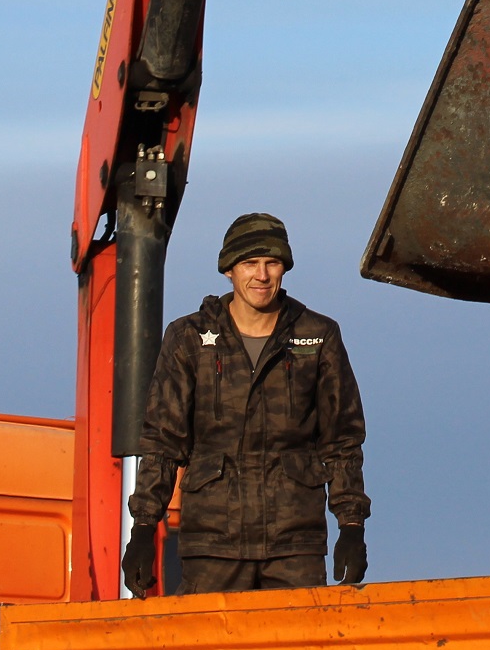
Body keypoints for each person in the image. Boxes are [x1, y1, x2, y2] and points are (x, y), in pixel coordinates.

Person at [121, 212, 369, 596]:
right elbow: (163, 442)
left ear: (284, 268)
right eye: (250, 263)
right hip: (213, 543)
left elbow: (342, 441)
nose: (262, 275)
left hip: (295, 544)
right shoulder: (189, 339)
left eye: (272, 263)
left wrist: (351, 526)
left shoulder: (317, 336)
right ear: (229, 271)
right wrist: (142, 528)